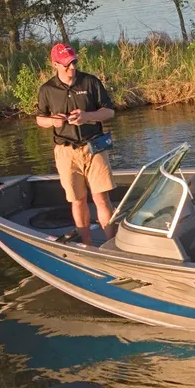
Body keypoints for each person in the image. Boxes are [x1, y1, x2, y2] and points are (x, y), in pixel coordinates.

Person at [36, 43, 116, 246]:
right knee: (77, 200)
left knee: (101, 199)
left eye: (74, 62)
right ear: (55, 64)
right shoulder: (47, 90)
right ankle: (87, 245)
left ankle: (112, 245)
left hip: (94, 148)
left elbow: (109, 112)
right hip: (66, 152)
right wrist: (53, 121)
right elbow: (40, 118)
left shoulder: (90, 82)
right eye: (66, 65)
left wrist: (87, 116)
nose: (71, 68)